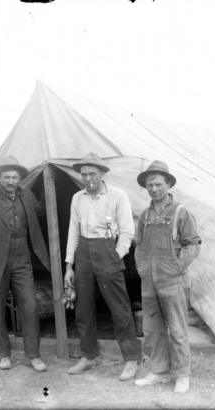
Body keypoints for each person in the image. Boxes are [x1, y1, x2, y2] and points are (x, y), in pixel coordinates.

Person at [64, 152, 141, 381]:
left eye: (92, 174)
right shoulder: (77, 198)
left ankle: (130, 359)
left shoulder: (118, 196)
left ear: (102, 174)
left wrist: (116, 256)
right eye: (84, 174)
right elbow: (73, 232)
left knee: (119, 308)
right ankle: (88, 356)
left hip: (108, 251)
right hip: (84, 253)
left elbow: (128, 231)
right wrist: (69, 266)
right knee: (83, 308)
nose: (88, 178)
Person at [0, 155, 51, 372]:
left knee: (30, 306)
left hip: (22, 260)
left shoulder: (28, 197)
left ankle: (33, 355)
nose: (11, 181)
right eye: (6, 177)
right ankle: (4, 355)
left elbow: (42, 210)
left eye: (15, 177)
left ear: (20, 179)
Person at [133, 160, 202, 394]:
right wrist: (142, 267)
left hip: (172, 279)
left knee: (177, 327)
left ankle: (182, 375)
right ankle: (159, 372)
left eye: (158, 184)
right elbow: (139, 244)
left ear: (168, 184)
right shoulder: (144, 215)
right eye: (149, 185)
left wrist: (177, 266)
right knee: (152, 328)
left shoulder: (180, 212)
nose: (153, 188)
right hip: (149, 280)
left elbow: (193, 244)